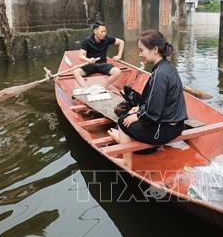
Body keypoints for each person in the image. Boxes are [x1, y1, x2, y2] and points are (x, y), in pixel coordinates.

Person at [107, 29, 188, 168]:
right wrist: (139, 109)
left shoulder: (159, 75)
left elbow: (153, 114)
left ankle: (127, 162)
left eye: (141, 50)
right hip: (177, 125)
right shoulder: (167, 66)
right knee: (132, 112)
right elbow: (162, 102)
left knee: (122, 121)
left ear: (155, 49)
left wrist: (138, 115)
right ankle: (128, 140)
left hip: (164, 131)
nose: (140, 54)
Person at [74, 21, 125, 90]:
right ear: (95, 31)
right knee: (76, 72)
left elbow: (121, 42)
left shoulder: (107, 39)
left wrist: (119, 55)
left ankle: (103, 87)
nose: (104, 34)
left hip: (103, 64)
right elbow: (80, 55)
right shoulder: (87, 41)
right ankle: (86, 89)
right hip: (91, 65)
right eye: (102, 32)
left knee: (117, 72)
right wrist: (88, 60)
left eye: (105, 31)